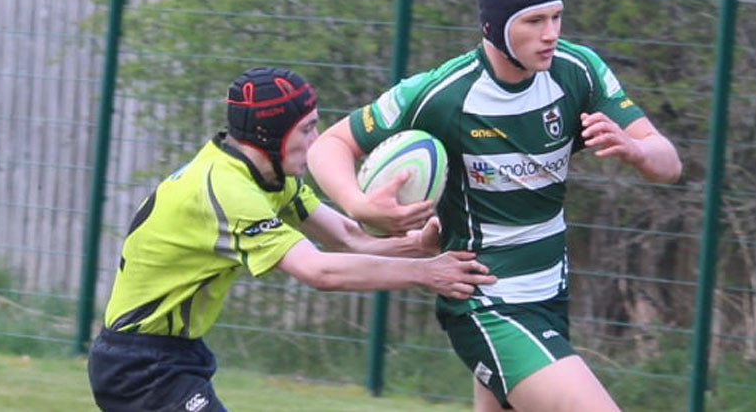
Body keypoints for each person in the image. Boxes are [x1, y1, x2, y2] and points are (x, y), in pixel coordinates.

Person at [306, 0, 682, 412]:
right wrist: (359, 206)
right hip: (485, 300)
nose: (551, 34)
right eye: (533, 21)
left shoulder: (578, 70)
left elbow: (669, 164)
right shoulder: (442, 94)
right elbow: (330, 145)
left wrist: (638, 150)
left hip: (550, 291)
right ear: (495, 25)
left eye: (556, 17)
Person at [86, 66, 497, 412]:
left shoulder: (268, 176)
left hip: (172, 356)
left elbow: (348, 238)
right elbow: (318, 271)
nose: (316, 142)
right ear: (269, 134)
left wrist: (417, 246)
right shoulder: (229, 189)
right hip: (139, 365)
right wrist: (425, 273)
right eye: (307, 129)